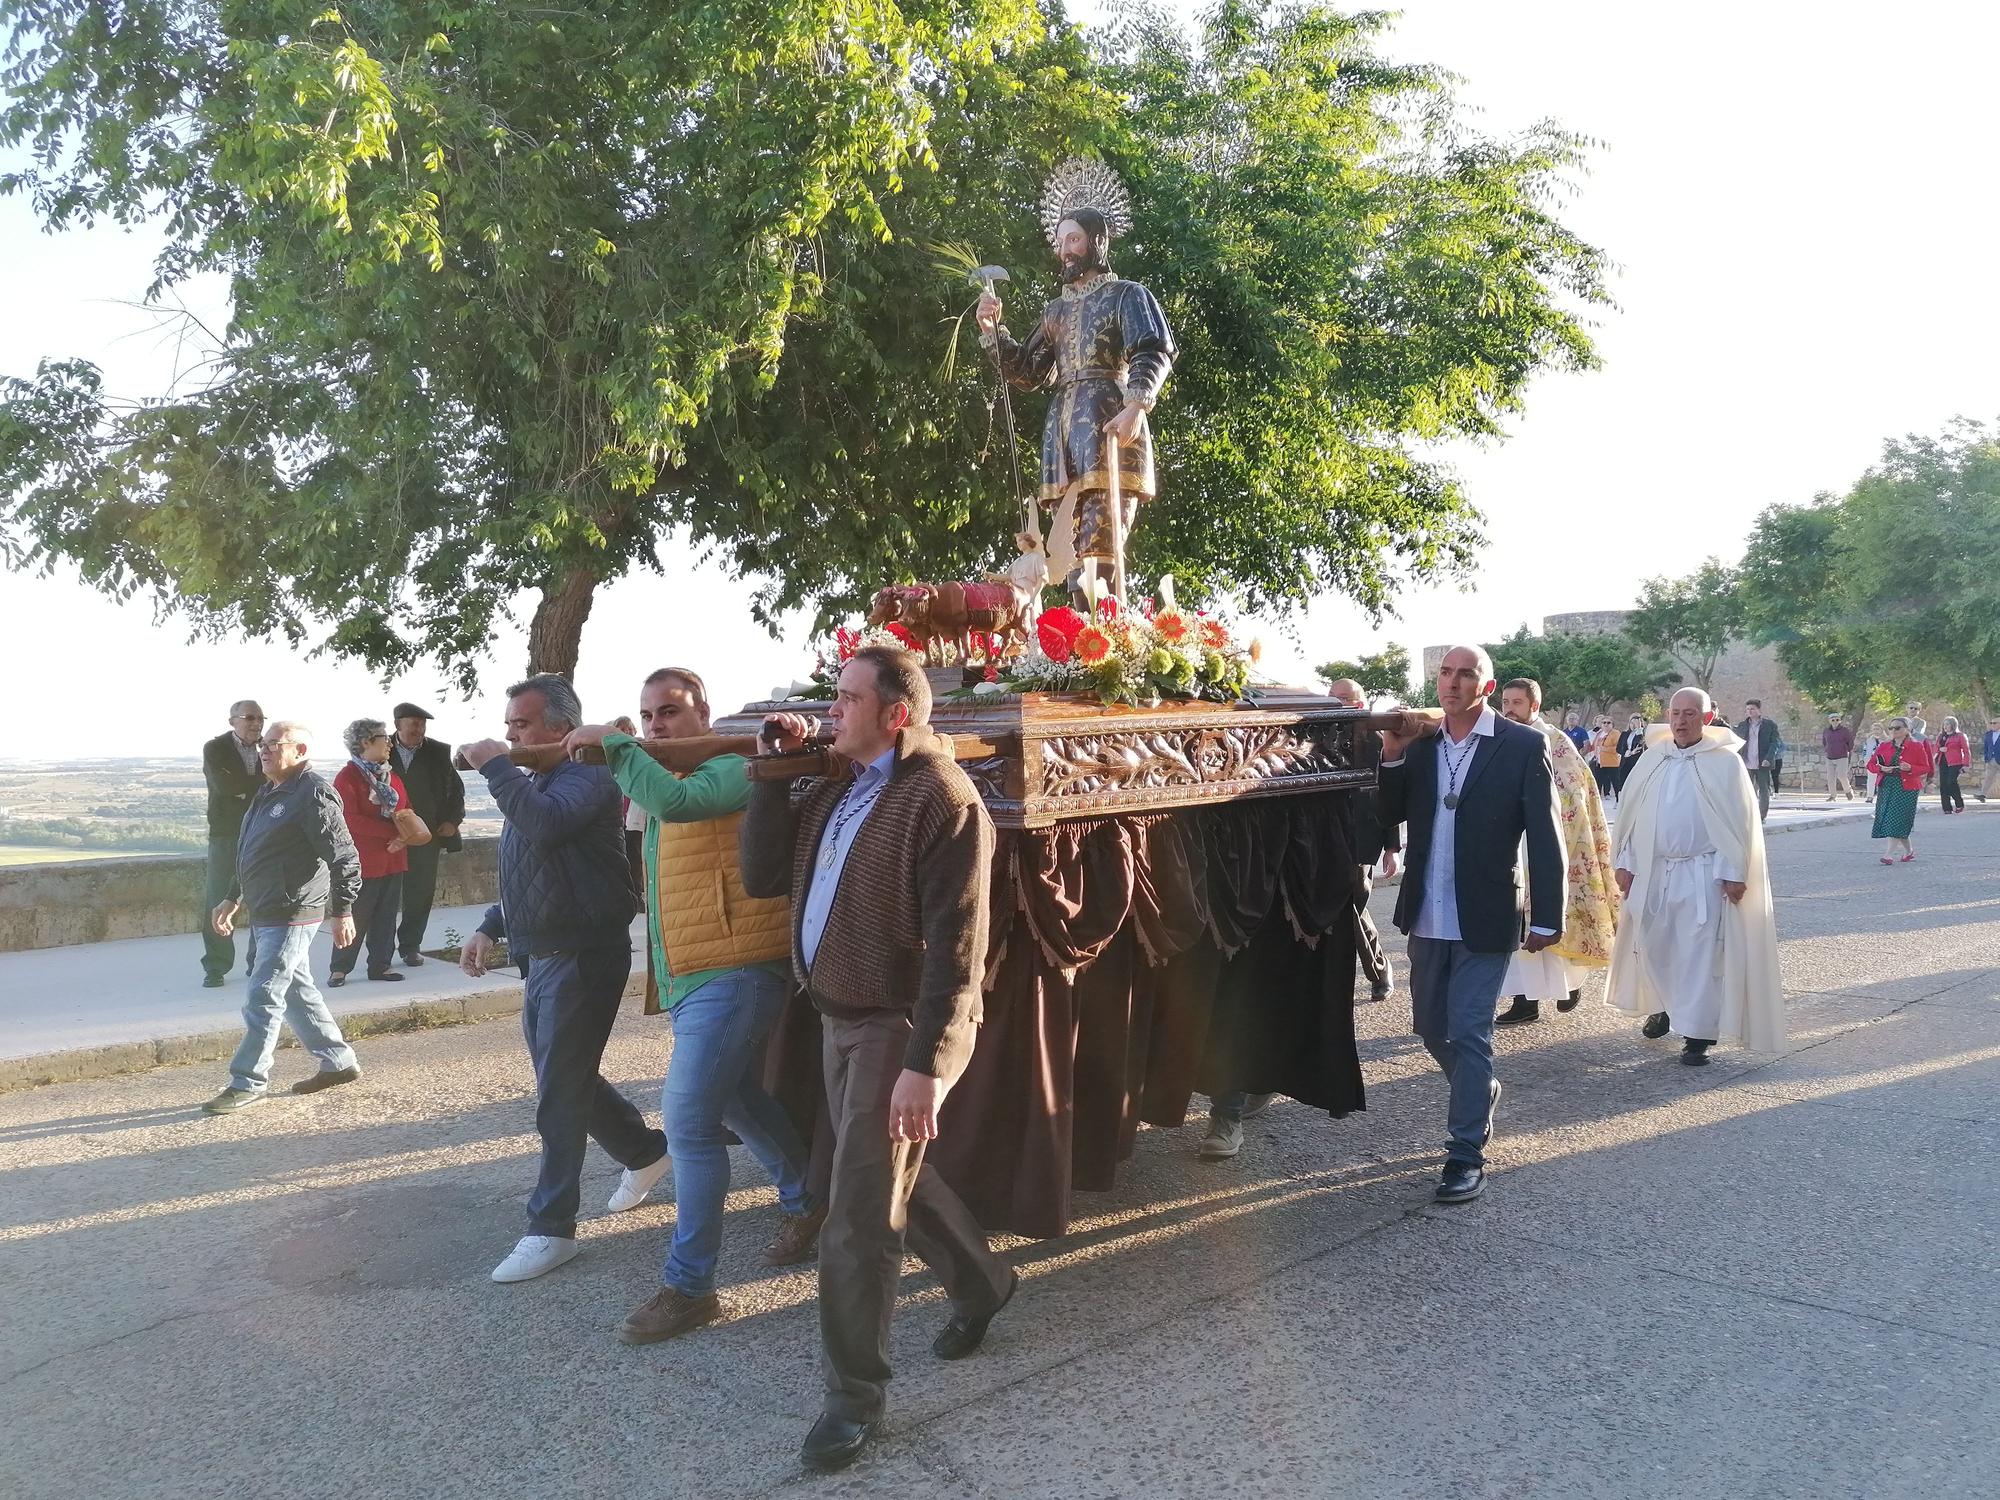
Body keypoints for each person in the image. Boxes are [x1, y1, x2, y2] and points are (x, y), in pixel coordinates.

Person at [744, 646, 1016, 1475]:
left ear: (897, 713)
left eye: (849, 698)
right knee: (893, 1174)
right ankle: (981, 1284)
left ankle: (851, 1399)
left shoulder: (943, 797)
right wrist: (769, 771)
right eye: (834, 695)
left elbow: (958, 951)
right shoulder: (830, 785)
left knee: (859, 1213)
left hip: (897, 1027)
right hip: (836, 1017)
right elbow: (760, 877)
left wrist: (925, 1062)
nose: (833, 710)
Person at [561, 668, 820, 1345]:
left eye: (670, 712)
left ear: (704, 711)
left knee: (688, 1126)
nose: (657, 726)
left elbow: (679, 804)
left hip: (736, 967)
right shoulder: (660, 772)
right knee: (733, 1100)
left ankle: (690, 1286)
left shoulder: (734, 764)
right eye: (647, 716)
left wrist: (618, 746)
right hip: (697, 972)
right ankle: (807, 1198)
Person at [460, 675, 666, 1285]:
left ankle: (550, 1229)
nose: (509, 735)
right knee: (567, 1077)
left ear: (558, 727)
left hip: (583, 953)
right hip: (541, 952)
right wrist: (491, 926)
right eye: (507, 725)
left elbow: (546, 826)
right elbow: (526, 862)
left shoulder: (589, 774)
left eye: (520, 725)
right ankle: (645, 1152)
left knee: (559, 1090)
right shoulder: (540, 782)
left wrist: (499, 770)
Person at [1378, 646, 1566, 1204]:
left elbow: (1546, 836)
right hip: (1428, 913)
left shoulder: (1522, 745)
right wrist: (1391, 754)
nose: (1453, 683)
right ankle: (1479, 1088)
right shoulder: (1422, 745)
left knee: (1468, 1029)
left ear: (1486, 686)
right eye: (1445, 673)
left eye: (1466, 674)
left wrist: (1549, 915)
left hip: (1485, 915)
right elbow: (1385, 815)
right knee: (1431, 1028)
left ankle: (1464, 1155)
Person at [1199, 675, 1397, 1160]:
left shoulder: (1333, 749)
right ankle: (1227, 1109)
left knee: (1279, 996)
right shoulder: (1215, 754)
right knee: (1230, 999)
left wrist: (1369, 855)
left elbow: (1369, 806)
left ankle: (1256, 1080)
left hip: (1298, 888)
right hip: (1234, 892)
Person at [976, 177, 1175, 606]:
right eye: (1060, 241)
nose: (1065, 249)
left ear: (1097, 243)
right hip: (1063, 432)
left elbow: (1153, 348)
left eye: (1074, 239)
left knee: (1101, 539)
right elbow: (1028, 372)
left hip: (1108, 419)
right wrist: (993, 331)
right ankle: (1075, 640)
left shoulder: (1127, 295)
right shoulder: (1056, 310)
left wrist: (1137, 405)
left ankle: (1101, 637)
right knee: (1066, 544)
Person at [1605, 688, 1784, 1065]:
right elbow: (1632, 815)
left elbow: (1738, 823)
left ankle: (1698, 1033)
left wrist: (1734, 872)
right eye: (1675, 713)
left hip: (1703, 873)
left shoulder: (1724, 763)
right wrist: (1624, 861)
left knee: (1699, 953)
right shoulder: (1653, 759)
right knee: (1654, 945)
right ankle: (1665, 1006)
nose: (1681, 721)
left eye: (1690, 714)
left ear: (1706, 718)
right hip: (1654, 870)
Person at [202, 721, 364, 1112]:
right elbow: (250, 851)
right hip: (266, 908)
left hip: (293, 910)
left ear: (301, 751)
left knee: (264, 992)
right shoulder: (269, 792)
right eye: (264, 744)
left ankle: (248, 1080)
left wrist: (342, 911)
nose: (265, 750)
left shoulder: (312, 793)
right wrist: (231, 897)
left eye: (276, 744)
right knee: (295, 988)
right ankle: (338, 1061)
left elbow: (344, 857)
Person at [1494, 680, 1620, 1026]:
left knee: (1550, 923)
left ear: (1535, 705)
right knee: (1517, 923)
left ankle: (1567, 985)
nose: (1509, 709)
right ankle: (1524, 1001)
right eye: (1505, 702)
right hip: (1511, 845)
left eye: (1517, 702)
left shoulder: (1555, 742)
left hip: (1547, 845)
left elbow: (1573, 794)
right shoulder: (1500, 739)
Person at [328, 718, 410, 987]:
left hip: (393, 857)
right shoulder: (348, 777)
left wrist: (404, 836)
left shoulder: (392, 775)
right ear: (365, 742)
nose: (390, 742)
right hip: (364, 860)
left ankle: (381, 965)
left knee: (386, 918)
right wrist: (392, 833)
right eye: (383, 737)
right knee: (357, 916)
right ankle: (340, 968)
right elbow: (349, 819)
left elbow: (406, 809)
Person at [389, 702, 464, 967]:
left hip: (426, 833)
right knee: (384, 893)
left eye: (422, 725)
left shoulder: (437, 752)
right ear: (398, 725)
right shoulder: (380, 748)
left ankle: (410, 946)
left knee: (419, 892)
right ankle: (382, 949)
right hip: (388, 834)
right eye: (413, 724)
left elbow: (455, 789)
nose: (418, 729)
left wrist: (453, 822)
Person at [200, 700, 266, 987]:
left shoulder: (270, 747)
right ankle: (215, 967)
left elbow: (276, 783)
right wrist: (256, 787)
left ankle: (258, 964)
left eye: (260, 718)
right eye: (250, 718)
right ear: (232, 721)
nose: (256, 723)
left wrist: (244, 790)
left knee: (262, 899)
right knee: (218, 898)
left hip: (262, 832)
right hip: (226, 834)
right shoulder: (215, 749)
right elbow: (226, 787)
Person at [1867, 718, 1932, 862]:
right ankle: (1909, 851)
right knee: (1894, 820)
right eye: (1891, 728)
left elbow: (1926, 767)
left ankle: (1888, 854)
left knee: (1896, 819)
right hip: (1887, 785)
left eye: (1897, 728)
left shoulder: (1917, 746)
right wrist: (1881, 768)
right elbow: (1871, 764)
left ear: (1907, 729)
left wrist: (1910, 768)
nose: (1893, 731)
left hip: (1907, 787)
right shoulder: (1884, 746)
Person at [1735, 699, 1780, 822]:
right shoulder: (1742, 726)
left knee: (1764, 790)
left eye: (1752, 709)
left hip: (1762, 763)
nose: (1749, 711)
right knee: (1747, 790)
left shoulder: (1769, 725)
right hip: (1746, 763)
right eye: (1748, 709)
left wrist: (1768, 758)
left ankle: (1761, 816)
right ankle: (1750, 815)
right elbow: (1737, 743)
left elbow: (1775, 743)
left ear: (1759, 710)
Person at [1935, 716, 1971, 814]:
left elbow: (1966, 751)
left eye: (1947, 724)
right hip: (1943, 762)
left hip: (1955, 763)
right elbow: (1936, 747)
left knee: (1951, 783)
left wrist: (1966, 764)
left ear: (1953, 725)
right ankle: (1946, 808)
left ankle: (1959, 803)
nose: (1945, 726)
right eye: (1944, 724)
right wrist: (1939, 749)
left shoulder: (1960, 736)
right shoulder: (1941, 736)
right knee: (1943, 785)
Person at [1821, 712, 1856, 800]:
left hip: (1842, 756)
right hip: (1830, 756)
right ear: (1830, 721)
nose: (1835, 721)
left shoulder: (1845, 731)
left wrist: (1847, 750)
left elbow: (1850, 742)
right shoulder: (1826, 731)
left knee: (1842, 775)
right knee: (1830, 777)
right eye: (1833, 720)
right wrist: (1827, 750)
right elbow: (1824, 742)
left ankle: (1848, 791)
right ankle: (1833, 795)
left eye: (1837, 719)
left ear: (1840, 721)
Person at [1616, 713, 1649, 797]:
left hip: (1636, 761)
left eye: (1636, 723)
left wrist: (1639, 729)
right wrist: (1627, 752)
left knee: (1634, 782)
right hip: (1625, 760)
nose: (1633, 725)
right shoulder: (1624, 734)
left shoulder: (1643, 734)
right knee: (1623, 781)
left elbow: (1640, 743)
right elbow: (1619, 748)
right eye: (1632, 723)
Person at [1593, 715, 1622, 803]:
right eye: (1604, 722)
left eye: (1608, 723)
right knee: (1597, 782)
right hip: (1599, 762)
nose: (1606, 724)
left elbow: (1618, 748)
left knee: (1615, 783)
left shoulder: (1615, 733)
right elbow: (1595, 745)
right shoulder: (1599, 733)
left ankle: (1619, 800)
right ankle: (1597, 802)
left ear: (1612, 724)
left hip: (1612, 763)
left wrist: (1605, 749)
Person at [1861, 721, 1885, 800]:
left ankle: (1881, 796)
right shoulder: (1869, 740)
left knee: (1882, 779)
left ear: (1881, 730)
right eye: (1874, 729)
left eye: (1877, 729)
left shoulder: (1886, 740)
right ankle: (1870, 796)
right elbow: (1865, 750)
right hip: (1871, 761)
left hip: (1883, 762)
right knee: (1871, 779)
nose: (1876, 731)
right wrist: (1864, 759)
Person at [1983, 716, 2000, 802]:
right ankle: (1983, 795)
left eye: (1995, 723)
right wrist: (1986, 758)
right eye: (1991, 723)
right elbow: (1986, 747)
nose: (1992, 725)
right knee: (1988, 778)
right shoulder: (1988, 734)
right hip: (1991, 760)